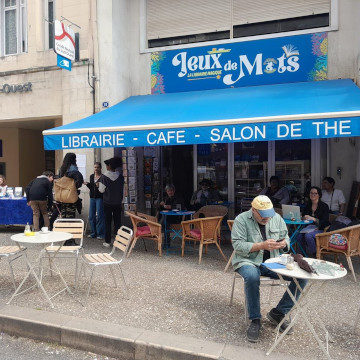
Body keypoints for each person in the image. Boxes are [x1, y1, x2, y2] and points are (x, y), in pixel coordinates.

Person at [231, 195, 307, 343]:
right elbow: (238, 246)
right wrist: (261, 246)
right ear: (254, 210)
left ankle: (278, 313)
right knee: (252, 277)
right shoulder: (241, 219)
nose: (267, 218)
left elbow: (287, 238)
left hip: (273, 262)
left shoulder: (276, 218)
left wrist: (284, 244)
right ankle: (255, 319)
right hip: (247, 260)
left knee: (303, 276)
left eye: (269, 214)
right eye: (263, 215)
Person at [98, 158, 124, 248]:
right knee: (117, 222)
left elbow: (101, 190)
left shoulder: (104, 177)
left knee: (107, 222)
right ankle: (118, 241)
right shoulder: (120, 177)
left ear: (109, 166)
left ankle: (108, 241)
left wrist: (98, 186)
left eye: (107, 165)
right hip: (117, 202)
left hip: (107, 203)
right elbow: (123, 190)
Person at [297, 186, 329, 258]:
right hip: (308, 228)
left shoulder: (324, 206)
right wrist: (303, 217)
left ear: (319, 195)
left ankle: (315, 255)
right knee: (298, 236)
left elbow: (325, 221)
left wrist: (314, 219)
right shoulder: (307, 205)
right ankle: (302, 255)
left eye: (315, 193)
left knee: (308, 236)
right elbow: (303, 217)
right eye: (311, 193)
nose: (313, 195)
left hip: (321, 229)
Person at [58, 152, 84, 220]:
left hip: (63, 196)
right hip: (71, 195)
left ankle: (64, 229)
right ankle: (69, 229)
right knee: (70, 215)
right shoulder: (74, 169)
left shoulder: (62, 169)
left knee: (63, 214)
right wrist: (74, 187)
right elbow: (79, 180)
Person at [84, 162, 105, 240]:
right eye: (95, 167)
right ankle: (93, 233)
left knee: (100, 215)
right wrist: (87, 184)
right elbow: (92, 187)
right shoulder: (91, 176)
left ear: (100, 168)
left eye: (97, 167)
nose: (96, 169)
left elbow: (104, 189)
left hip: (100, 198)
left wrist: (99, 186)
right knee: (91, 216)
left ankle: (100, 234)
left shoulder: (103, 177)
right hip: (92, 198)